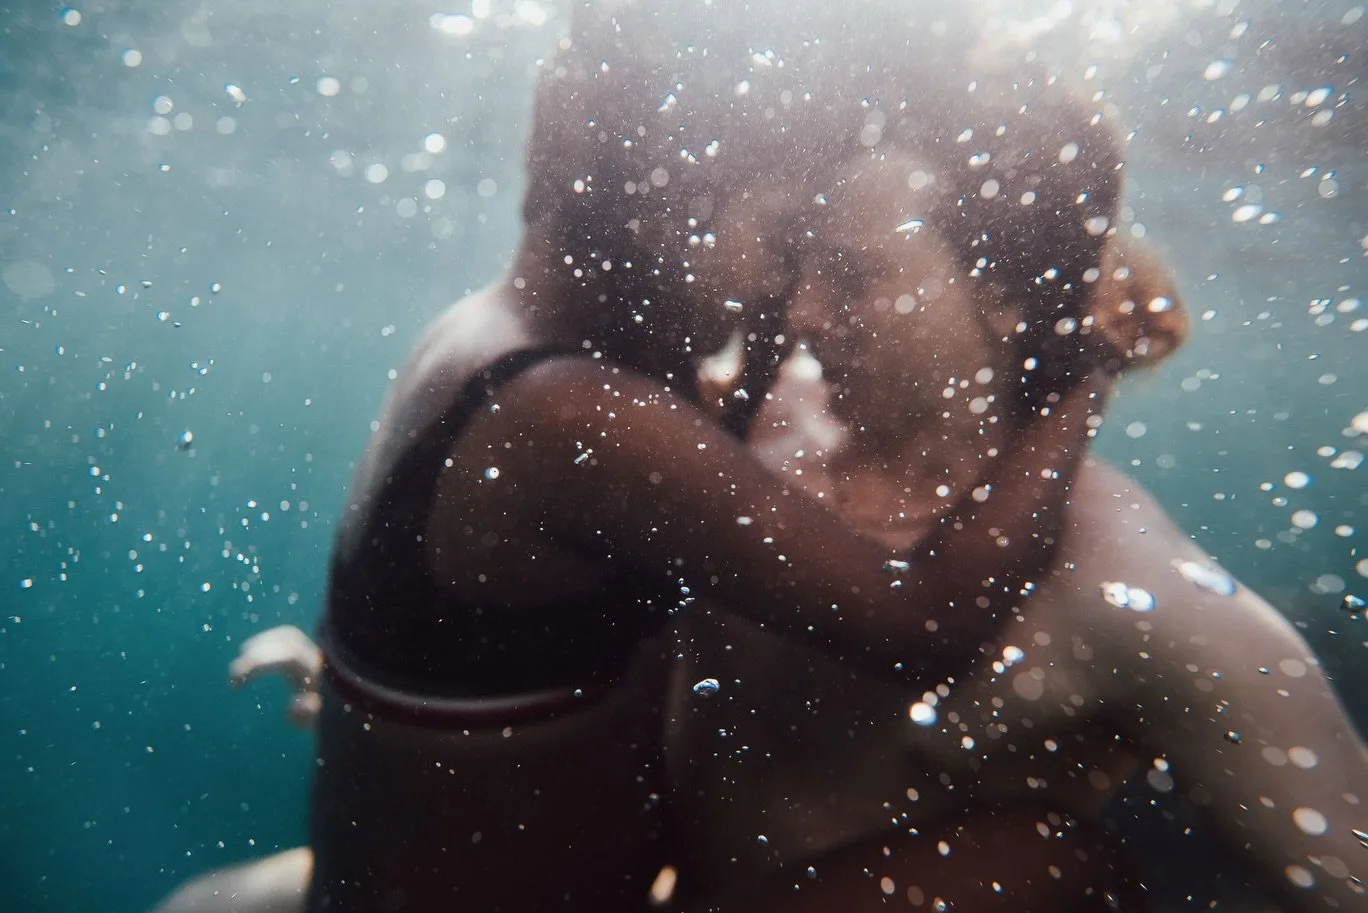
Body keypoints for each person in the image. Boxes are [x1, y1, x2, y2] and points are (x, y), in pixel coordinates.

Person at [158, 3, 1133, 913]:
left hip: (387, 873)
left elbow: (721, 427)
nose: (783, 289)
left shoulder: (500, 336)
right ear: (665, 197)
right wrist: (1081, 369)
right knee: (1057, 855)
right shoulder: (570, 412)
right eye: (778, 235)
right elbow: (927, 621)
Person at [664, 147, 1368, 912]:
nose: (803, 311)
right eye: (805, 267)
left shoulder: (1129, 588)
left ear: (1008, 293)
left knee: (1056, 862)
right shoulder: (746, 428)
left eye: (855, 276)